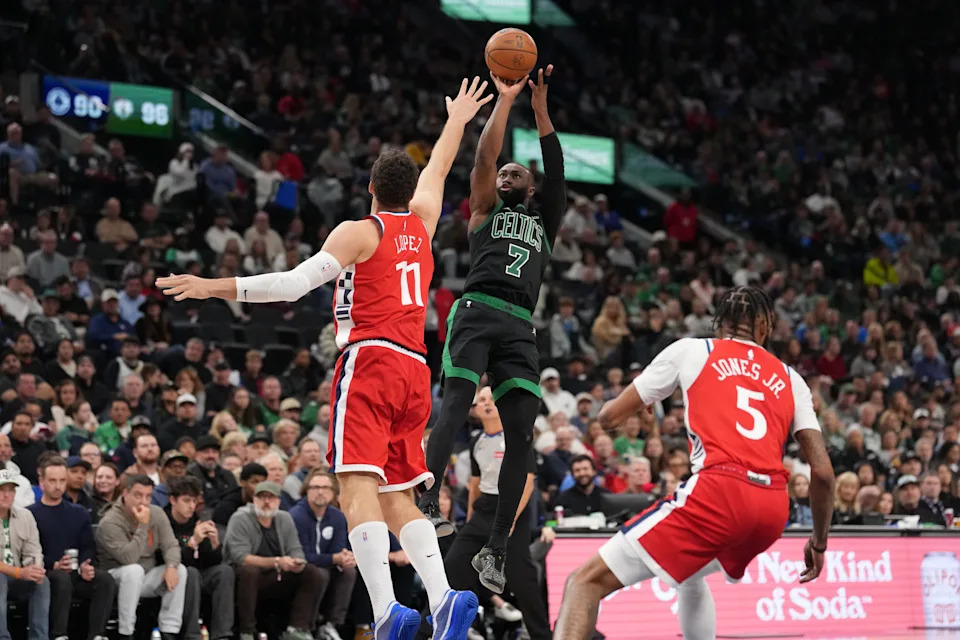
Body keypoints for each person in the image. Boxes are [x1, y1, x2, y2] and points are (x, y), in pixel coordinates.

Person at [158, 76, 492, 639]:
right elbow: (438, 167)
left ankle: (387, 611)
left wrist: (211, 285)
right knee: (398, 496)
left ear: (368, 186)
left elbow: (290, 284)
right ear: (408, 191)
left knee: (354, 488)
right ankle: (442, 600)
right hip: (416, 369)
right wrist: (457, 120)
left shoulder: (360, 231)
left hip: (372, 360)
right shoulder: (424, 221)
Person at [554, 286, 836, 639]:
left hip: (720, 491)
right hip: (771, 510)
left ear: (719, 325)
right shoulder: (791, 377)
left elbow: (608, 418)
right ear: (764, 327)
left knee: (583, 582)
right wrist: (819, 542)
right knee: (690, 574)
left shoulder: (693, 350)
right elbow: (823, 474)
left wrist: (640, 402)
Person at [419, 67, 565, 596]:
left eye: (516, 173)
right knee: (456, 400)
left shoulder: (545, 219)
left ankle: (498, 548)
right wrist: (504, 103)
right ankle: (428, 497)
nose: (506, 173)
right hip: (478, 307)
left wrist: (541, 111)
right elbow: (484, 158)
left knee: (523, 434)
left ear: (532, 188)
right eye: (502, 172)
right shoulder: (484, 209)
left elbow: (557, 168)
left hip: (521, 326)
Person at [443, 386, 550, 638]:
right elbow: (474, 484)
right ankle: (432, 630)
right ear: (476, 408)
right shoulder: (476, 441)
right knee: (452, 567)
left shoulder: (518, 436)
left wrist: (511, 519)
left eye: (492, 399)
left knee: (521, 579)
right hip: (483, 511)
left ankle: (541, 634)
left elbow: (529, 482)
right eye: (482, 400)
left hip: (511, 509)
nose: (487, 403)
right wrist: (470, 520)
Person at [29, 456, 116, 640]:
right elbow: (28, 552)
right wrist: (53, 565)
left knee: (104, 579)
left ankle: (97, 635)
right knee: (61, 579)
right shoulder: (29, 514)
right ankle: (59, 635)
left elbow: (88, 546)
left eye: (62, 480)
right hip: (47, 573)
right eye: (52, 480)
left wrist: (86, 564)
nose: (58, 485)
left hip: (76, 572)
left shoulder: (79, 512)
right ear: (42, 482)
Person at [223, 481, 324, 640]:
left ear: (278, 501)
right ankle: (247, 631)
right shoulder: (240, 518)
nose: (266, 502)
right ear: (253, 500)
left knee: (312, 572)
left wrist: (297, 564)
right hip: (244, 578)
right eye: (262, 497)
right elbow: (240, 557)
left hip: (276, 576)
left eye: (271, 498)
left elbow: (296, 550)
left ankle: (297, 628)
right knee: (250, 572)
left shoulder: (285, 518)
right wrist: (277, 561)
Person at [96, 474, 189, 640]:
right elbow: (128, 558)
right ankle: (126, 633)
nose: (144, 502)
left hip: (145, 577)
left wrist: (171, 566)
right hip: (115, 578)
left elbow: (171, 545)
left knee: (179, 570)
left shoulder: (157, 513)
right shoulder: (110, 521)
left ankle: (169, 631)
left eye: (148, 496)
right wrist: (143, 525)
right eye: (138, 495)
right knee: (133, 570)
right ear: (125, 494)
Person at [289, 469, 357, 640]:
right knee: (318, 574)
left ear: (334, 493)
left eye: (326, 488)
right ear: (307, 490)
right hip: (298, 568)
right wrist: (335, 558)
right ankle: (304, 627)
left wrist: (345, 558)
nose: (320, 492)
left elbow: (338, 549)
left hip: (324, 566)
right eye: (315, 487)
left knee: (349, 572)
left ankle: (331, 625)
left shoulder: (338, 517)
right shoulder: (296, 516)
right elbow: (302, 555)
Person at [164, 475, 234, 640]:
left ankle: (222, 633)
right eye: (186, 501)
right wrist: (193, 542)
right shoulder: (163, 521)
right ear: (173, 500)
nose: (191, 506)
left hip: (198, 573)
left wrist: (215, 543)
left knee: (224, 571)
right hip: (170, 574)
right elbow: (166, 558)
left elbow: (211, 561)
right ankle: (192, 634)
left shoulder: (196, 520)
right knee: (190, 572)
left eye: (194, 501)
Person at [0, 468, 49, 640]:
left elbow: (34, 549)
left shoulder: (26, 516)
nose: (6, 495)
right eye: (1, 490)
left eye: (10, 490)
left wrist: (35, 569)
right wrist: (18, 572)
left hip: (17, 578)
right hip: (4, 577)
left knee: (42, 581)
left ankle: (39, 638)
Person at [188, 435, 238, 512]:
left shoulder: (227, 475)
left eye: (214, 452)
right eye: (206, 452)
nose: (211, 456)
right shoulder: (191, 475)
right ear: (197, 455)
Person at [213, 462, 267, 526]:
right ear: (242, 482)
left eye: (263, 482)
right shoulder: (225, 507)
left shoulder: (268, 504)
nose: (260, 487)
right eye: (254, 482)